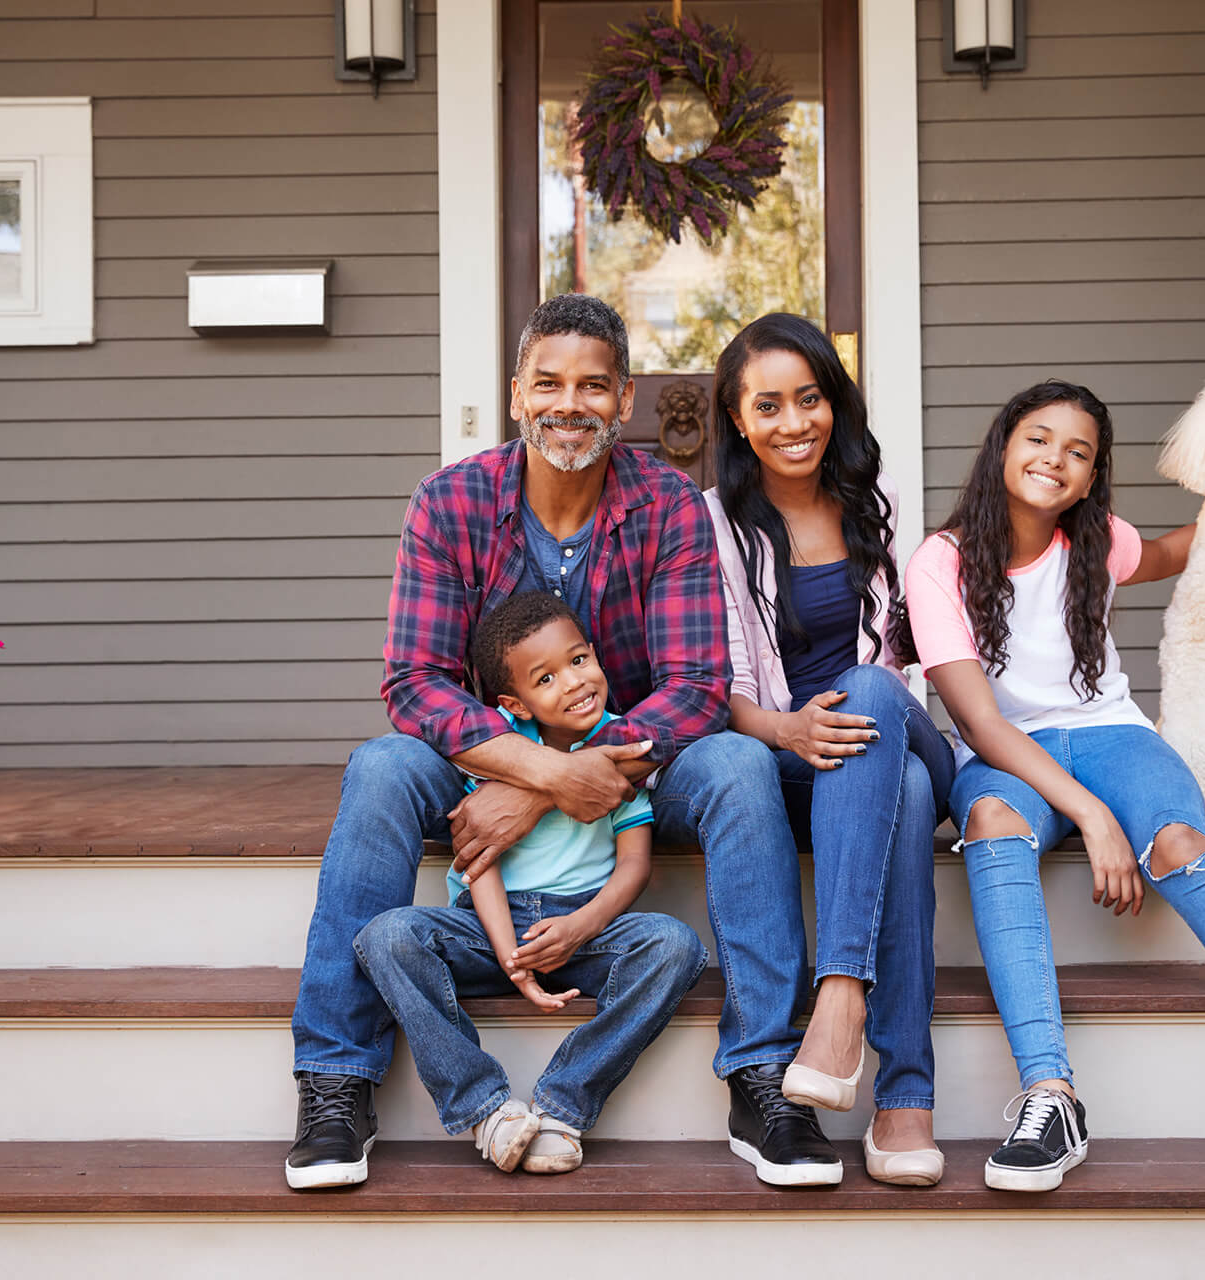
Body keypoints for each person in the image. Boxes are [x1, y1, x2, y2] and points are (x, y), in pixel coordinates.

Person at [287, 293, 844, 1191]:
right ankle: (336, 1080)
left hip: (639, 756)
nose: (569, 404)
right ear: (516, 393)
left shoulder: (667, 504)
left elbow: (696, 686)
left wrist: (564, 779)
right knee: (384, 766)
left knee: (741, 764)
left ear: (625, 402)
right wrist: (540, 767)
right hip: (495, 749)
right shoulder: (450, 501)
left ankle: (762, 1074)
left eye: (593, 386)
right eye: (548, 383)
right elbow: (413, 683)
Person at [903, 379, 1205, 1194]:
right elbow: (982, 725)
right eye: (1037, 438)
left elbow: (1175, 553)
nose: (1053, 459)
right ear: (1002, 447)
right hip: (1007, 756)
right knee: (990, 822)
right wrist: (1091, 816)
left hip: (1116, 738)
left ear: (1093, 477)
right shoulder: (940, 561)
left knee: (1179, 841)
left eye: (1078, 452)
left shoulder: (1097, 540)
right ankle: (1049, 1095)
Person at [703, 314, 953, 1187]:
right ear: (738, 421)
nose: (794, 422)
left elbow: (921, 659)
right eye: (767, 405)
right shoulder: (714, 526)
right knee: (912, 797)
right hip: (793, 755)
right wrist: (786, 728)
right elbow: (716, 684)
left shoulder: (868, 506)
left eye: (809, 399)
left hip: (889, 725)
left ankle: (839, 997)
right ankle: (906, 1097)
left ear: (834, 404)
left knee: (877, 690)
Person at [353, 591, 705, 1174]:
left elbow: (634, 866)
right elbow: (479, 860)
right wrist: (511, 959)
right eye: (546, 678)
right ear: (514, 703)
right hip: (488, 928)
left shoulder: (620, 747)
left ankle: (564, 1105)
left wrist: (580, 926)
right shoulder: (503, 754)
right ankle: (486, 1110)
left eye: (577, 661)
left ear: (596, 656)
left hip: (584, 927)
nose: (573, 682)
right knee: (387, 937)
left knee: (675, 946)